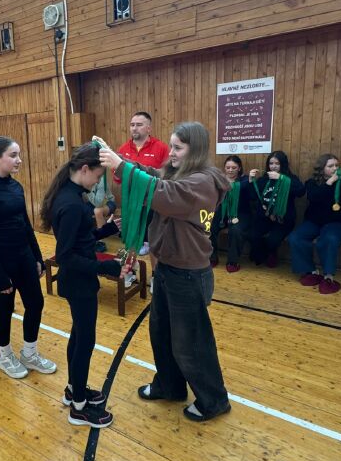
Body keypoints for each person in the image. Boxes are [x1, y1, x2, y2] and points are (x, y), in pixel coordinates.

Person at [100, 122, 232, 422]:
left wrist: (121, 166)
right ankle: (170, 385)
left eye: (178, 148)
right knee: (162, 333)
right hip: (168, 269)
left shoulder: (202, 182)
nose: (170, 153)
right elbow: (152, 176)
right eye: (171, 146)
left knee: (191, 343)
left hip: (188, 274)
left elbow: (162, 193)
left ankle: (214, 400)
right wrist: (123, 162)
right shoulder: (180, 173)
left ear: (195, 150)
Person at [40, 143, 123, 428]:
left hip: (80, 280)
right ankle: (78, 407)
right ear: (85, 169)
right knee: (85, 341)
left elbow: (81, 238)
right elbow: (65, 256)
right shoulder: (72, 204)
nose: (98, 182)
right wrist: (104, 267)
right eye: (98, 176)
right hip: (78, 282)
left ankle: (73, 389)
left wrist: (108, 229)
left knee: (78, 336)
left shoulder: (72, 195)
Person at [0, 136, 56, 379]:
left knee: (36, 303)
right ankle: (4, 355)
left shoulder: (16, 187)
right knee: (5, 307)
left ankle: (29, 354)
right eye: (13, 155)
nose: (19, 160)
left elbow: (26, 226)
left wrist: (37, 256)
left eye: (19, 155)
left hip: (24, 257)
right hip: (0, 263)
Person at [288, 154, 341, 295]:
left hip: (336, 222)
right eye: (330, 166)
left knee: (330, 239)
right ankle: (310, 271)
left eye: (337, 165)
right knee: (296, 237)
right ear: (322, 169)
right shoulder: (312, 183)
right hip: (314, 222)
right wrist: (330, 182)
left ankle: (328, 276)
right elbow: (314, 197)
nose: (335, 168)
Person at [116, 111, 169, 255]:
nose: (134, 128)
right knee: (131, 239)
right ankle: (130, 263)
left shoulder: (162, 148)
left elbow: (167, 176)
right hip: (131, 199)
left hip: (152, 200)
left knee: (152, 236)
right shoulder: (123, 149)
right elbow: (118, 177)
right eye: (132, 125)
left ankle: (149, 248)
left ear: (149, 128)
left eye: (139, 125)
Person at [248, 151, 305, 267]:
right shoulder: (264, 179)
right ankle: (263, 253)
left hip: (283, 219)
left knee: (273, 240)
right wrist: (250, 180)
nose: (273, 166)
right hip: (264, 217)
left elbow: (301, 191)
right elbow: (253, 197)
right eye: (271, 163)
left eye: (277, 163)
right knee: (252, 235)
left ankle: (269, 253)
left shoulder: (290, 178)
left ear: (283, 164)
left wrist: (281, 178)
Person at [210, 155, 251, 273]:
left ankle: (232, 261)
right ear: (224, 168)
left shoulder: (245, 180)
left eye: (234, 167)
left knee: (236, 230)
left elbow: (252, 196)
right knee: (209, 226)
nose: (230, 170)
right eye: (228, 167)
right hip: (222, 212)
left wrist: (250, 182)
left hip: (240, 213)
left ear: (239, 168)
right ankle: (212, 257)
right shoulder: (220, 180)